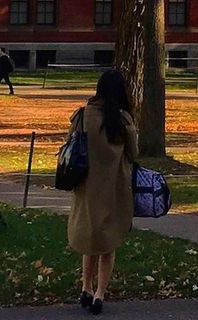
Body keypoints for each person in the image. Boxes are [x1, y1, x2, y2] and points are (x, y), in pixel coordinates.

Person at [67, 69, 137, 315]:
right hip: (113, 186)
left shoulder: (84, 116)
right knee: (108, 242)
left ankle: (85, 286)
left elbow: (71, 144)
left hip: (86, 185)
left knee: (89, 239)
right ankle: (100, 293)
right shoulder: (123, 120)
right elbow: (133, 152)